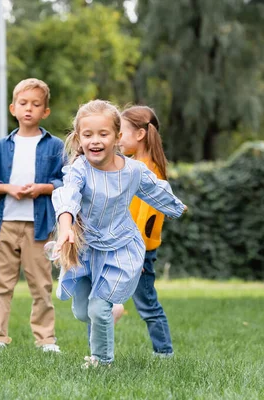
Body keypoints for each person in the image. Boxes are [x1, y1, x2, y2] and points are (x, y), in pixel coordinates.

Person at [52, 100, 186, 368]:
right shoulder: (80, 169)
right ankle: (110, 309)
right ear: (79, 138)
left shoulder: (133, 171)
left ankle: (102, 362)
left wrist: (177, 207)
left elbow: (155, 189)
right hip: (86, 247)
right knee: (82, 312)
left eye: (103, 134)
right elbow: (68, 195)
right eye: (87, 135)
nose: (95, 141)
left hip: (120, 248)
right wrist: (65, 227)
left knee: (97, 308)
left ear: (117, 137)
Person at [0, 78, 65, 353]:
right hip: (4, 225)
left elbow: (66, 183)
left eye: (36, 104)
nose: (29, 109)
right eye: (24, 104)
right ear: (13, 108)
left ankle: (46, 339)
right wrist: (8, 189)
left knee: (41, 285)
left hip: (38, 228)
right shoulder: (1, 146)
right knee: (1, 285)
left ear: (45, 112)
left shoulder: (55, 146)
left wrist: (42, 189)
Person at [114, 105, 187, 357]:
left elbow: (147, 220)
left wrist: (138, 253)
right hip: (125, 246)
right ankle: (101, 350)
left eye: (120, 132)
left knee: (147, 304)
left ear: (140, 134)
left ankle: (164, 353)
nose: (117, 138)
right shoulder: (131, 165)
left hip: (138, 250)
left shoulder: (148, 170)